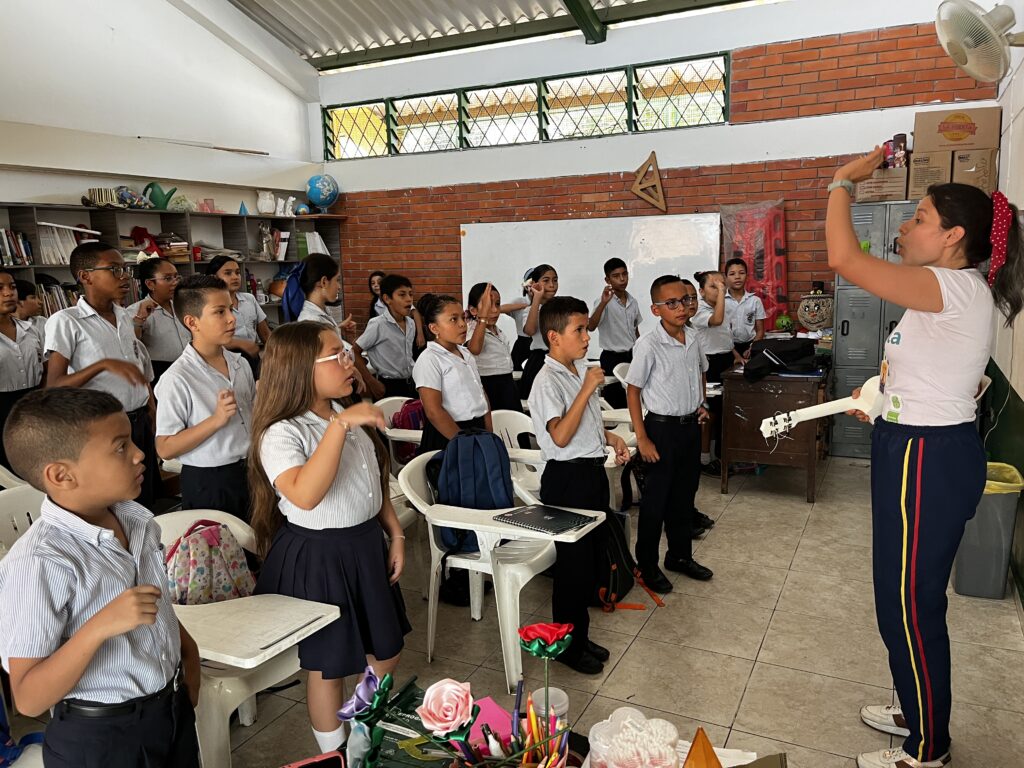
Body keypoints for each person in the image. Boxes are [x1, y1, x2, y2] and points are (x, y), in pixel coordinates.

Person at [828, 149, 1024, 768]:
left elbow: (843, 258)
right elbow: (932, 377)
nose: (904, 230)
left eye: (918, 219)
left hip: (926, 461)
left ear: (953, 237)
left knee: (911, 606)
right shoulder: (944, 292)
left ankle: (928, 747)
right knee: (900, 598)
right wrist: (880, 399)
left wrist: (842, 182)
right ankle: (918, 709)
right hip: (910, 445)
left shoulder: (953, 286)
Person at [0, 388, 201, 768]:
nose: (140, 453)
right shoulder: (42, 561)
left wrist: (187, 656)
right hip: (102, 739)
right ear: (61, 475)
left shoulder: (136, 521)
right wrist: (98, 627)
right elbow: (27, 697)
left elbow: (154, 610)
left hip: (168, 711)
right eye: (120, 447)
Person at [249, 321, 410, 755]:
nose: (349, 361)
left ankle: (359, 731)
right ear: (302, 367)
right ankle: (334, 753)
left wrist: (394, 533)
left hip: (363, 544)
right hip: (321, 554)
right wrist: (341, 427)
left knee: (386, 650)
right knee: (329, 666)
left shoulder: (342, 412)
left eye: (347, 352)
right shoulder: (283, 431)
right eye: (337, 355)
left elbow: (371, 482)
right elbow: (303, 494)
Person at [528, 296, 631, 675]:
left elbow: (584, 423)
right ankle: (565, 647)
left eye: (587, 329)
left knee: (588, 564)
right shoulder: (546, 380)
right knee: (571, 570)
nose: (587, 337)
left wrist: (610, 437)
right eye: (580, 330)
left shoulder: (576, 370)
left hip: (590, 474)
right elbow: (559, 435)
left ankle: (580, 637)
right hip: (566, 479)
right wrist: (587, 389)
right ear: (554, 336)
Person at [44, 243, 159, 507]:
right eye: (114, 269)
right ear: (86, 276)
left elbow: (138, 368)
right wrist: (101, 365)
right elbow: (54, 387)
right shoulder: (66, 321)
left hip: (139, 419)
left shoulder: (125, 316)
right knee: (118, 502)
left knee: (148, 498)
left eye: (125, 269)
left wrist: (152, 408)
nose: (124, 276)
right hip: (103, 428)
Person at [625, 276, 713, 593]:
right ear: (655, 308)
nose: (681, 307)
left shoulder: (693, 337)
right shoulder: (648, 345)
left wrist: (700, 403)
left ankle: (679, 556)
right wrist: (643, 437)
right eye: (671, 303)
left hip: (689, 428)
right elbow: (633, 392)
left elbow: (700, 371)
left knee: (683, 497)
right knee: (656, 502)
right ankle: (646, 564)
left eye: (686, 299)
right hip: (660, 430)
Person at [154, 275, 255, 521]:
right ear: (192, 322)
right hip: (210, 481)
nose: (231, 318)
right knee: (221, 554)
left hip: (251, 471)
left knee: (258, 547)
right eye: (219, 312)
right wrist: (216, 420)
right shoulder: (177, 378)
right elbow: (165, 447)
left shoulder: (240, 363)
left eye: (230, 309)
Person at [413, 294, 491, 453]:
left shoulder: (466, 354)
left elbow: (480, 394)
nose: (463, 324)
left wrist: (489, 433)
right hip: (449, 434)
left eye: (463, 317)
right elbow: (434, 412)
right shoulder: (430, 359)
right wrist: (463, 443)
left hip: (477, 428)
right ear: (434, 328)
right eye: (453, 319)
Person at [691, 270, 741, 477]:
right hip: (708, 365)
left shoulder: (722, 307)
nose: (721, 289)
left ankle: (715, 456)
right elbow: (717, 321)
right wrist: (723, 294)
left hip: (725, 360)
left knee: (721, 414)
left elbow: (724, 336)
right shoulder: (700, 310)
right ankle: (703, 459)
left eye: (722, 285)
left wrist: (736, 354)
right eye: (714, 286)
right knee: (708, 415)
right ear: (701, 291)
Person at [353, 274, 423, 400]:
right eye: (402, 295)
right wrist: (371, 382)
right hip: (388, 385)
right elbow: (355, 352)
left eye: (410, 294)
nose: (409, 299)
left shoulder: (411, 323)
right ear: (387, 298)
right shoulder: (378, 324)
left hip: (410, 383)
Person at [0, 269, 43, 469]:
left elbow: (44, 367)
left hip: (34, 405)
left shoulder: (30, 330)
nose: (8, 293)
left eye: (12, 287)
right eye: (0, 289)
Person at [588, 258, 641, 409]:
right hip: (612, 357)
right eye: (616, 276)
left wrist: (639, 349)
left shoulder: (633, 301)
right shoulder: (602, 301)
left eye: (624, 274)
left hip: (631, 354)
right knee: (615, 399)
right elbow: (591, 326)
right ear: (607, 279)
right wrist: (604, 303)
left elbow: (635, 329)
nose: (622, 279)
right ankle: (616, 429)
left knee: (633, 396)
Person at [205, 255, 271, 377]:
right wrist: (240, 343)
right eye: (228, 273)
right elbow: (208, 340)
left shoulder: (249, 299)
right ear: (214, 277)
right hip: (227, 360)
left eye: (237, 273)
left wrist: (276, 356)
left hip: (253, 357)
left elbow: (265, 333)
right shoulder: (210, 305)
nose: (235, 277)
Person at [127, 255, 189, 383]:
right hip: (160, 373)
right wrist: (139, 320)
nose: (175, 282)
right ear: (150, 284)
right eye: (167, 278)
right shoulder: (136, 311)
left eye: (176, 277)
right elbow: (130, 345)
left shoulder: (183, 305)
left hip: (189, 368)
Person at [466, 282, 522, 413]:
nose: (495, 310)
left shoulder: (498, 330)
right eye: (487, 305)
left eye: (497, 304)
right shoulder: (472, 329)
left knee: (513, 427)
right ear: (473, 310)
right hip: (489, 385)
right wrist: (483, 319)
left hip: (507, 383)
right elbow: (474, 349)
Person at [287, 253, 357, 336]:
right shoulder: (312, 321)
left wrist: (337, 330)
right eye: (337, 280)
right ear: (324, 282)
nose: (339, 287)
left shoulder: (320, 312)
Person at [519, 264, 559, 398]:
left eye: (555, 280)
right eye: (546, 280)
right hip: (540, 360)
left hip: (560, 359)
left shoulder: (561, 307)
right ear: (535, 284)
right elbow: (530, 331)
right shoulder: (530, 309)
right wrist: (536, 298)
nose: (552, 285)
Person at [723, 257, 765, 357]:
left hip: (751, 345)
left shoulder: (755, 301)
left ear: (747, 276)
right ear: (726, 277)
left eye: (741, 273)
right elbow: (719, 332)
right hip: (727, 347)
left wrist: (752, 347)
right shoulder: (721, 302)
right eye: (732, 274)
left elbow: (760, 330)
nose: (737, 277)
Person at [509, 268, 535, 371]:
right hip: (522, 344)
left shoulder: (548, 305)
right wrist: (525, 306)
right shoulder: (519, 301)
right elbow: (499, 310)